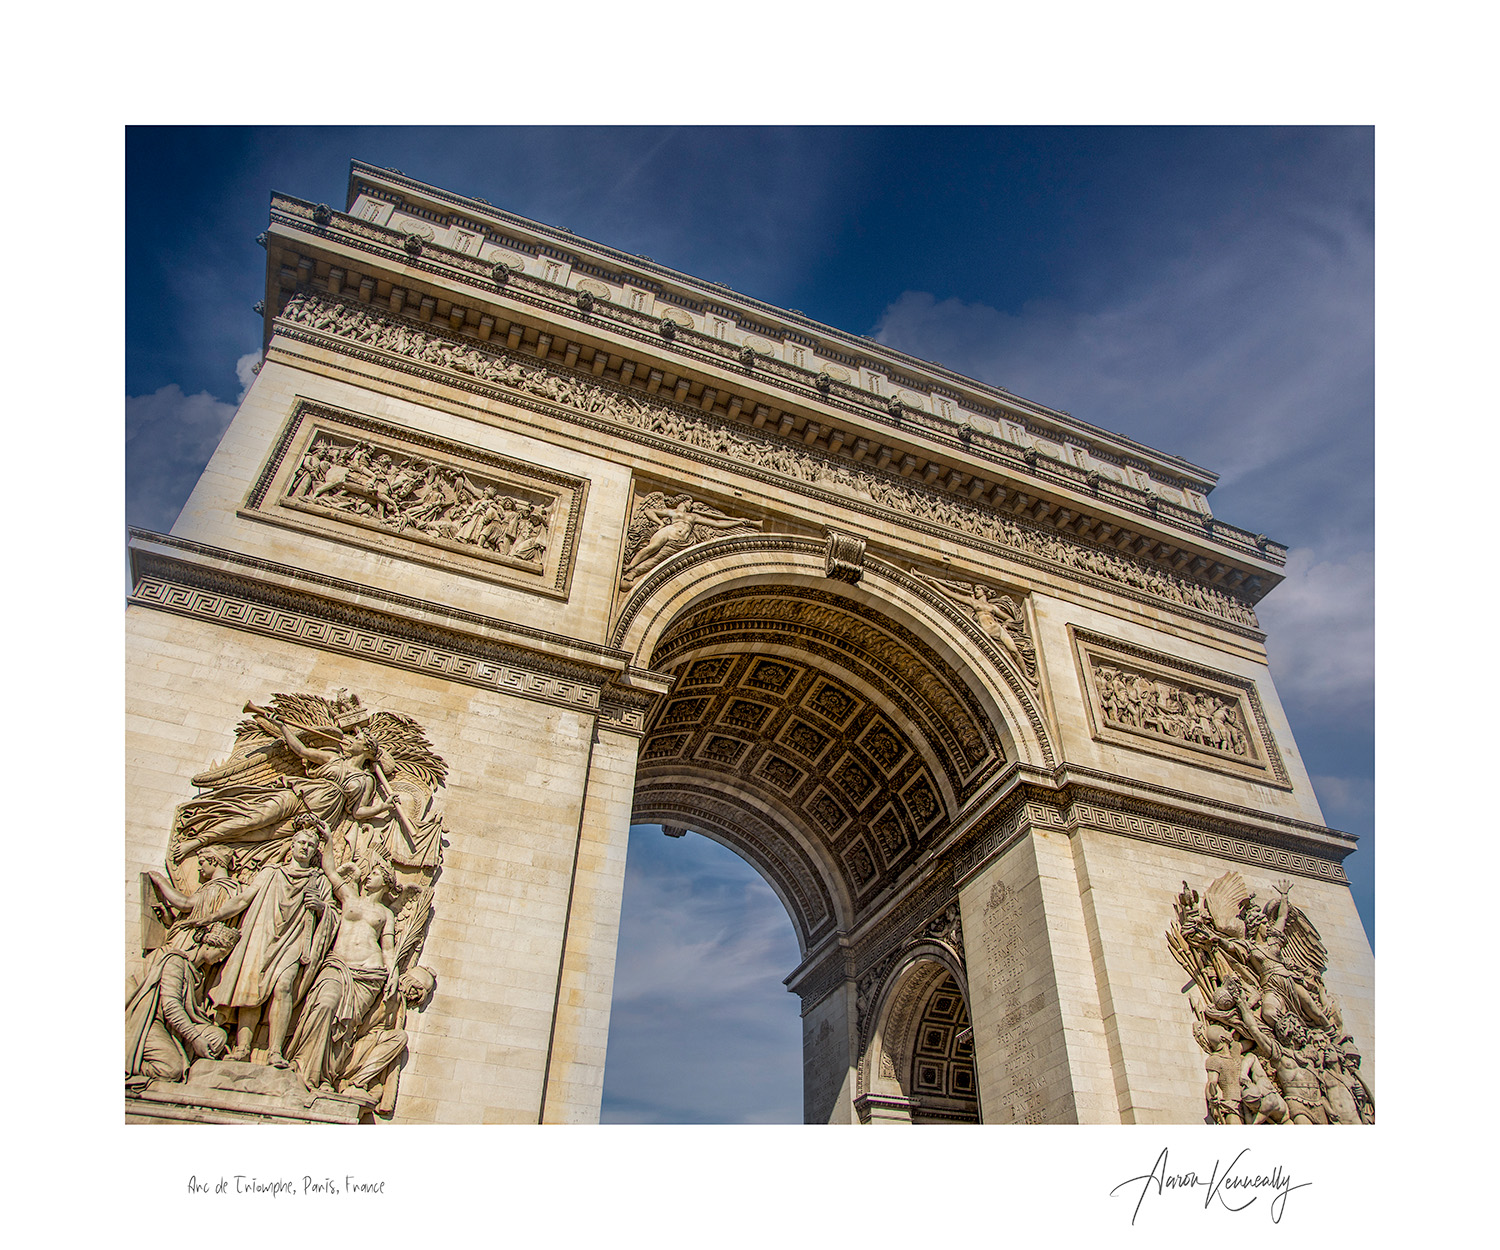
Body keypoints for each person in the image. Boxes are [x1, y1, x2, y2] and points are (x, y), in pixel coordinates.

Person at [172, 710, 401, 862]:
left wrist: (383, 806)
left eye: (357, 740)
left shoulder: (366, 780)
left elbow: (357, 811)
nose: (351, 740)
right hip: (299, 795)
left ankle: (223, 845)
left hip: (316, 816)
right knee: (256, 819)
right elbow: (300, 751)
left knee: (264, 834)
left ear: (366, 749)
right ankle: (198, 841)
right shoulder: (332, 758)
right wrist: (283, 727)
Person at [197, 820, 334, 1067]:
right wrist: (211, 917)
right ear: (292, 845)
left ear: (315, 852)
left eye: (311, 845)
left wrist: (321, 907)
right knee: (252, 987)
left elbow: (333, 914)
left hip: (294, 940)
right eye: (302, 842)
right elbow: (242, 900)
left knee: (283, 986)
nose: (305, 847)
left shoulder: (319, 881)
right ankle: (242, 1048)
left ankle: (275, 1051)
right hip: (262, 935)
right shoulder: (271, 873)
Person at [286, 846, 400, 1091]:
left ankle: (325, 1078)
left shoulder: (385, 913)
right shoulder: (350, 897)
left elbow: (388, 948)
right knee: (324, 1005)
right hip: (338, 965)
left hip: (369, 974)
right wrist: (327, 840)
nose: (369, 876)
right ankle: (302, 1066)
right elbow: (330, 871)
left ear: (386, 883)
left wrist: (394, 974)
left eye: (376, 874)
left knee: (346, 1027)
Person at [126, 922, 240, 1085]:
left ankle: (194, 1071)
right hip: (151, 1021)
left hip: (173, 1027)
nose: (220, 959)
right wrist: (195, 1038)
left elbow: (192, 1013)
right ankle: (130, 1065)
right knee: (170, 1070)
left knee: (217, 1036)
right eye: (221, 953)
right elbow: (171, 1006)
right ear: (208, 945)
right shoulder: (175, 962)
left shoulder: (198, 974)